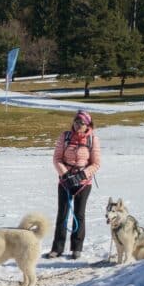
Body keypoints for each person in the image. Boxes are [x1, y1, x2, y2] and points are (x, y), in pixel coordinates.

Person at [47, 110, 101, 260]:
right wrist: (65, 174)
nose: (78, 125)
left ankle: (76, 248)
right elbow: (57, 158)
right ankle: (57, 248)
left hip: (84, 182)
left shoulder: (93, 139)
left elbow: (96, 163)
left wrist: (81, 176)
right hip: (65, 181)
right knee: (62, 214)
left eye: (81, 123)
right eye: (76, 122)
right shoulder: (65, 137)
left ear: (88, 124)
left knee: (79, 214)